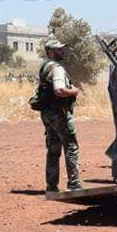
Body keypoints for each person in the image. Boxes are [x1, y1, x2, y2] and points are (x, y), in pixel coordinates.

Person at [38, 38, 83, 192]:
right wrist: (74, 91)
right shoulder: (57, 69)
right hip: (60, 114)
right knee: (71, 147)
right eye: (58, 49)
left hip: (48, 115)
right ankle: (74, 184)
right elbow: (59, 91)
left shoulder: (45, 67)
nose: (62, 51)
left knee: (53, 150)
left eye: (62, 49)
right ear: (50, 52)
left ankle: (51, 185)